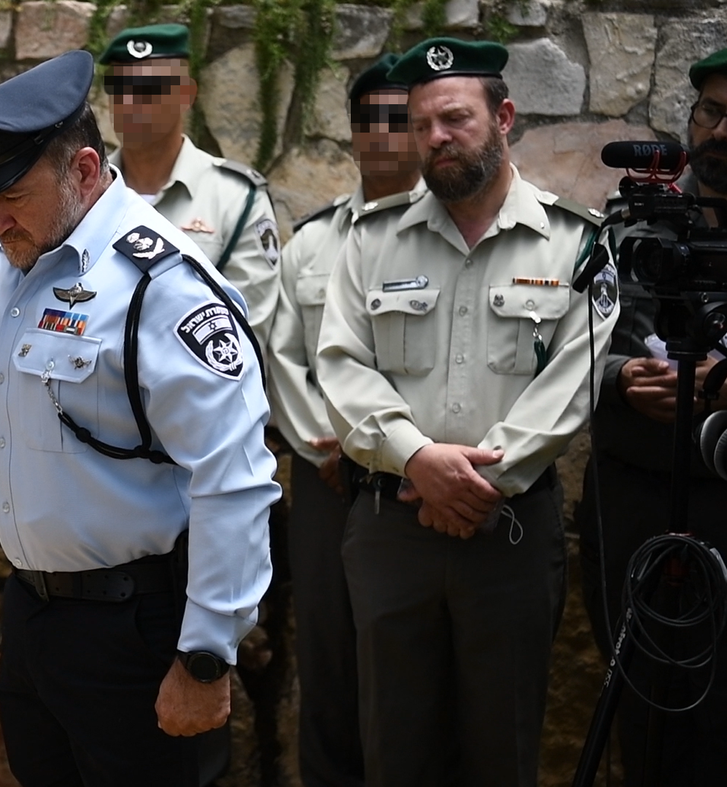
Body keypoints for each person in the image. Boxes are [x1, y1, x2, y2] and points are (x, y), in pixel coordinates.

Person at [0, 50, 280, 787]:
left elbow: (233, 480)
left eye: (12, 194)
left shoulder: (161, 288)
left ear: (83, 171)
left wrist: (206, 655)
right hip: (35, 616)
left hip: (139, 628)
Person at [315, 38, 614, 786]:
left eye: (454, 119)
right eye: (420, 125)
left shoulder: (578, 243)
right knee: (395, 748)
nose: (435, 139)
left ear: (504, 116)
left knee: (502, 749)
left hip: (507, 533)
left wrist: (475, 480)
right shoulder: (371, 239)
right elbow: (342, 365)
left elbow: (571, 387)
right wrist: (418, 457)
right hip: (392, 531)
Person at [265, 53, 422, 787]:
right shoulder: (314, 242)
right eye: (368, 121)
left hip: (424, 484)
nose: (382, 136)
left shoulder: (452, 235)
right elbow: (282, 356)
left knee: (417, 665)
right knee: (328, 658)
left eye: (398, 119)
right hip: (329, 478)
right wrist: (323, 444)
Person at [573, 47, 727, 786]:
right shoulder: (636, 217)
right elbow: (574, 344)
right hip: (636, 502)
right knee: (645, 717)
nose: (723, 131)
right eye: (714, 113)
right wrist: (622, 376)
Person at [99, 24, 281, 341]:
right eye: (118, 86)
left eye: (148, 89)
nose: (129, 101)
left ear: (186, 95)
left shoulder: (236, 199)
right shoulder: (86, 193)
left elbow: (246, 327)